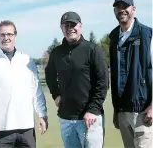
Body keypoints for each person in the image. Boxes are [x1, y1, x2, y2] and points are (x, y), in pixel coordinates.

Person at [0, 20, 48, 148]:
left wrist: (42, 114)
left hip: (26, 127)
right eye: (2, 35)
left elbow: (36, 90)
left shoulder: (27, 60)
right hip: (0, 129)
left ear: (15, 35)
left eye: (10, 34)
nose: (6, 38)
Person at [45, 11, 109, 148]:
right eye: (66, 25)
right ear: (61, 28)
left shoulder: (93, 50)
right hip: (66, 119)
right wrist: (55, 94)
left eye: (73, 24)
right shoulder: (56, 53)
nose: (70, 28)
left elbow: (103, 82)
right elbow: (49, 75)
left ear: (80, 26)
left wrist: (93, 109)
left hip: (90, 118)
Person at [109, 0, 152, 148]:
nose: (121, 10)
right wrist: (116, 111)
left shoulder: (148, 34)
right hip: (122, 111)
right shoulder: (113, 37)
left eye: (125, 6)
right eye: (117, 7)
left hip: (143, 111)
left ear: (133, 9)